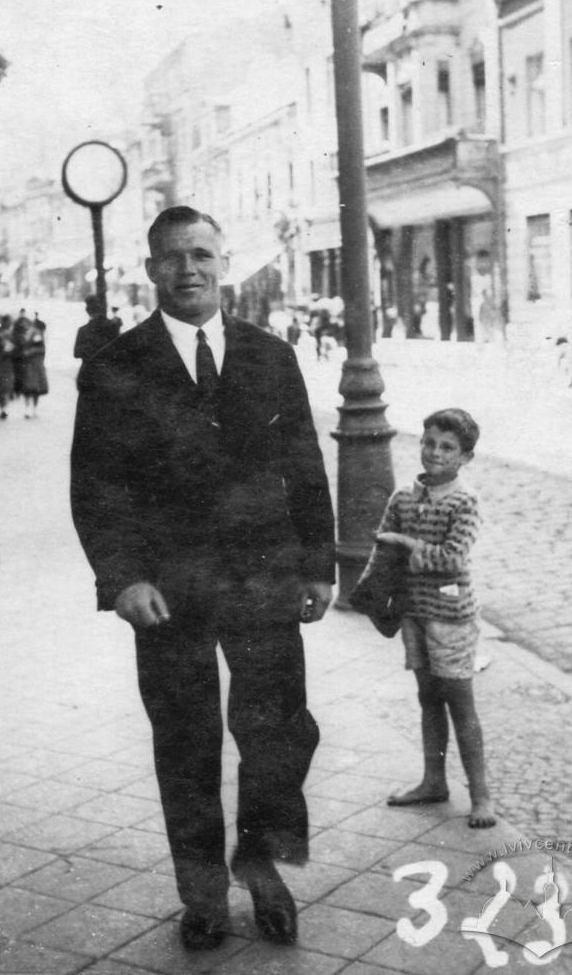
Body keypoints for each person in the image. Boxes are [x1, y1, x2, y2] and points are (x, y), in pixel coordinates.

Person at [71, 206, 335, 952]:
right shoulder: (117, 366)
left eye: (202, 255)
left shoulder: (269, 355)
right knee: (186, 743)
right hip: (169, 590)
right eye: (172, 257)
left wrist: (318, 563)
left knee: (280, 733)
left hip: (264, 579)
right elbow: (95, 485)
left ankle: (260, 866)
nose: (188, 269)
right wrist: (121, 579)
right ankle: (203, 891)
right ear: (150, 268)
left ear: (224, 262)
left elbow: (306, 465)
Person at [353, 407, 495, 829]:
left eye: (447, 447)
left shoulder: (465, 501)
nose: (435, 452)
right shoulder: (402, 497)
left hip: (451, 618)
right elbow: (382, 551)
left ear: (465, 457)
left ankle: (481, 795)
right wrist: (372, 595)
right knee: (428, 697)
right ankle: (433, 780)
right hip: (414, 613)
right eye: (429, 443)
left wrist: (404, 543)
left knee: (460, 703)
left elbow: (452, 559)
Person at [73, 295, 120, 365]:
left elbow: (77, 353)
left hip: (89, 371)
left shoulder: (83, 330)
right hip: (107, 371)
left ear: (88, 311)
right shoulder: (112, 327)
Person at [19, 316, 49, 418]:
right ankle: (27, 408)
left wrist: (29, 352)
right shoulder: (21, 334)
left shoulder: (36, 333)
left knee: (35, 388)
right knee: (26, 388)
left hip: (35, 364)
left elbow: (41, 348)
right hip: (26, 364)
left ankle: (34, 409)